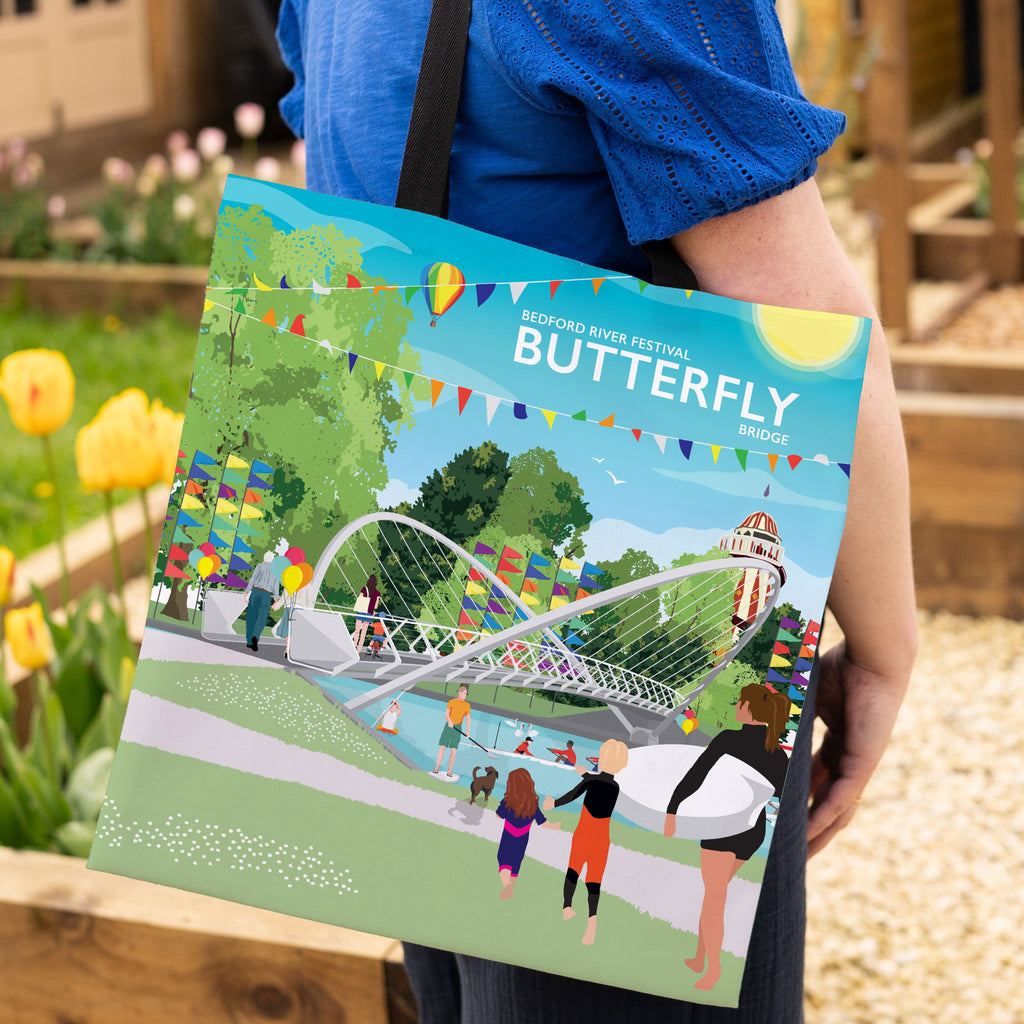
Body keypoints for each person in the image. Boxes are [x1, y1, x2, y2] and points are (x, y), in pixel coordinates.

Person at [277, 2, 918, 1019]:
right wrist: (885, 642)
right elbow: (799, 319)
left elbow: (369, 215)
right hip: (633, 678)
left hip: (412, 658)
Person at [664, 684, 792, 992]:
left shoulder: (729, 739)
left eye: (740, 701)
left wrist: (673, 810)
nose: (736, 705)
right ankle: (698, 956)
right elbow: (780, 794)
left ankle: (714, 969)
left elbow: (696, 775)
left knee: (714, 897)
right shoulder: (777, 751)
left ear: (749, 709)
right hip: (753, 831)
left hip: (722, 827)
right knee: (713, 894)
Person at [542, 738, 629, 946]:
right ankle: (592, 921)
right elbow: (598, 781)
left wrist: (552, 803)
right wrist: (584, 774)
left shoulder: (591, 781)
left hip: (584, 834)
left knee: (573, 869)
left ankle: (567, 908)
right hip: (602, 839)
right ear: (621, 764)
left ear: (602, 758)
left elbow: (574, 794)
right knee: (594, 881)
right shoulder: (615, 787)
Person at [494, 767, 561, 899]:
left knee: (504, 861)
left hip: (508, 836)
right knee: (516, 862)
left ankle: (506, 885)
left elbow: (498, 815)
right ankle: (510, 889)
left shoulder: (508, 801)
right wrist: (554, 826)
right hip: (522, 838)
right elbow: (542, 822)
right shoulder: (533, 804)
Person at [242, 551, 280, 651]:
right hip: (267, 595)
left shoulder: (259, 566)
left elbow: (252, 579)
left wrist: (246, 592)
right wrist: (276, 599)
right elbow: (276, 585)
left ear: (264, 558)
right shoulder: (275, 570)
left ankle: (249, 642)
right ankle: (256, 636)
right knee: (262, 618)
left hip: (255, 592)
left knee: (251, 617)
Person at [434, 683, 471, 777]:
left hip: (458, 728)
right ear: (459, 692)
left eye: (466, 693)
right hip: (448, 726)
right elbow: (446, 714)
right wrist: (450, 721)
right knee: (442, 747)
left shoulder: (467, 705)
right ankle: (437, 767)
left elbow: (468, 719)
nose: (465, 695)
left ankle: (449, 771)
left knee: (453, 750)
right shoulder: (452, 702)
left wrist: (467, 732)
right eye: (463, 693)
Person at [351, 573, 380, 651]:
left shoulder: (364, 589)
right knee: (363, 634)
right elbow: (376, 606)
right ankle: (359, 651)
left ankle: (355, 645)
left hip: (361, 611)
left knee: (357, 631)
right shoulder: (377, 593)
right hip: (369, 613)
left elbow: (360, 599)